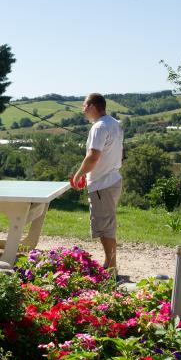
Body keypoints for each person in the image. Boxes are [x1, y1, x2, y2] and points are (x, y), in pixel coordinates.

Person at [72, 93, 124, 275]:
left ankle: (111, 268)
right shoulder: (114, 124)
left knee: (105, 228)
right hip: (112, 180)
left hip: (103, 184)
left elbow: (93, 156)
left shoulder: (99, 127)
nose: (83, 110)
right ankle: (109, 264)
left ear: (93, 106)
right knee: (106, 225)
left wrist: (79, 174)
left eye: (85, 105)